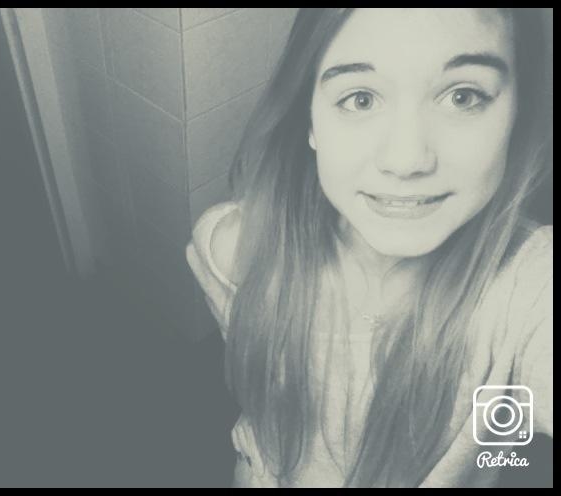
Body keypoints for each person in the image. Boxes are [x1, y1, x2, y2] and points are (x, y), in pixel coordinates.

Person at [185, 8, 552, 488]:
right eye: (360, 99)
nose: (406, 160)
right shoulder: (233, 250)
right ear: (310, 121)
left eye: (463, 96)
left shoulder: (530, 291)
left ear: (519, 112)